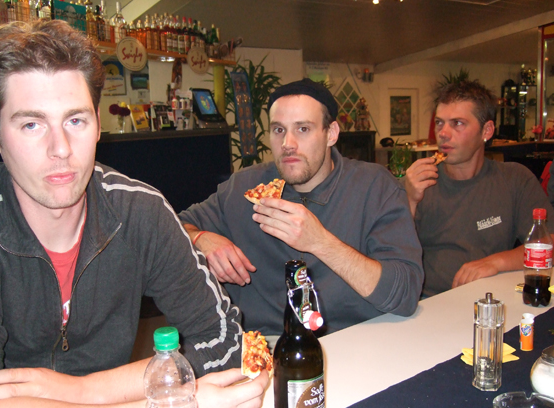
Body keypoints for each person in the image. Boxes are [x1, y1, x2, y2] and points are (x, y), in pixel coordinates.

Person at [0, 20, 268, 408]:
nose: (60, 149)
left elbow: (227, 344)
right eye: (32, 125)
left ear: (97, 124)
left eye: (75, 120)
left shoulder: (140, 211)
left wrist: (81, 391)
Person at [179, 79, 424, 337]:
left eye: (303, 129)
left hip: (353, 341)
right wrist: (200, 238)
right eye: (278, 130)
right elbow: (173, 226)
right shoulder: (244, 188)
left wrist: (321, 243)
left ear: (331, 133)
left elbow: (405, 294)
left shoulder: (375, 188)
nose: (288, 143)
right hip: (264, 347)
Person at [404, 80, 554, 298]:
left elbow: (548, 244)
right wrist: (409, 201)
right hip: (429, 303)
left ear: (487, 130)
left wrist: (496, 262)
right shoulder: (417, 185)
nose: (443, 133)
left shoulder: (515, 179)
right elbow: (390, 255)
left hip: (493, 298)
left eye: (457, 123)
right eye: (439, 123)